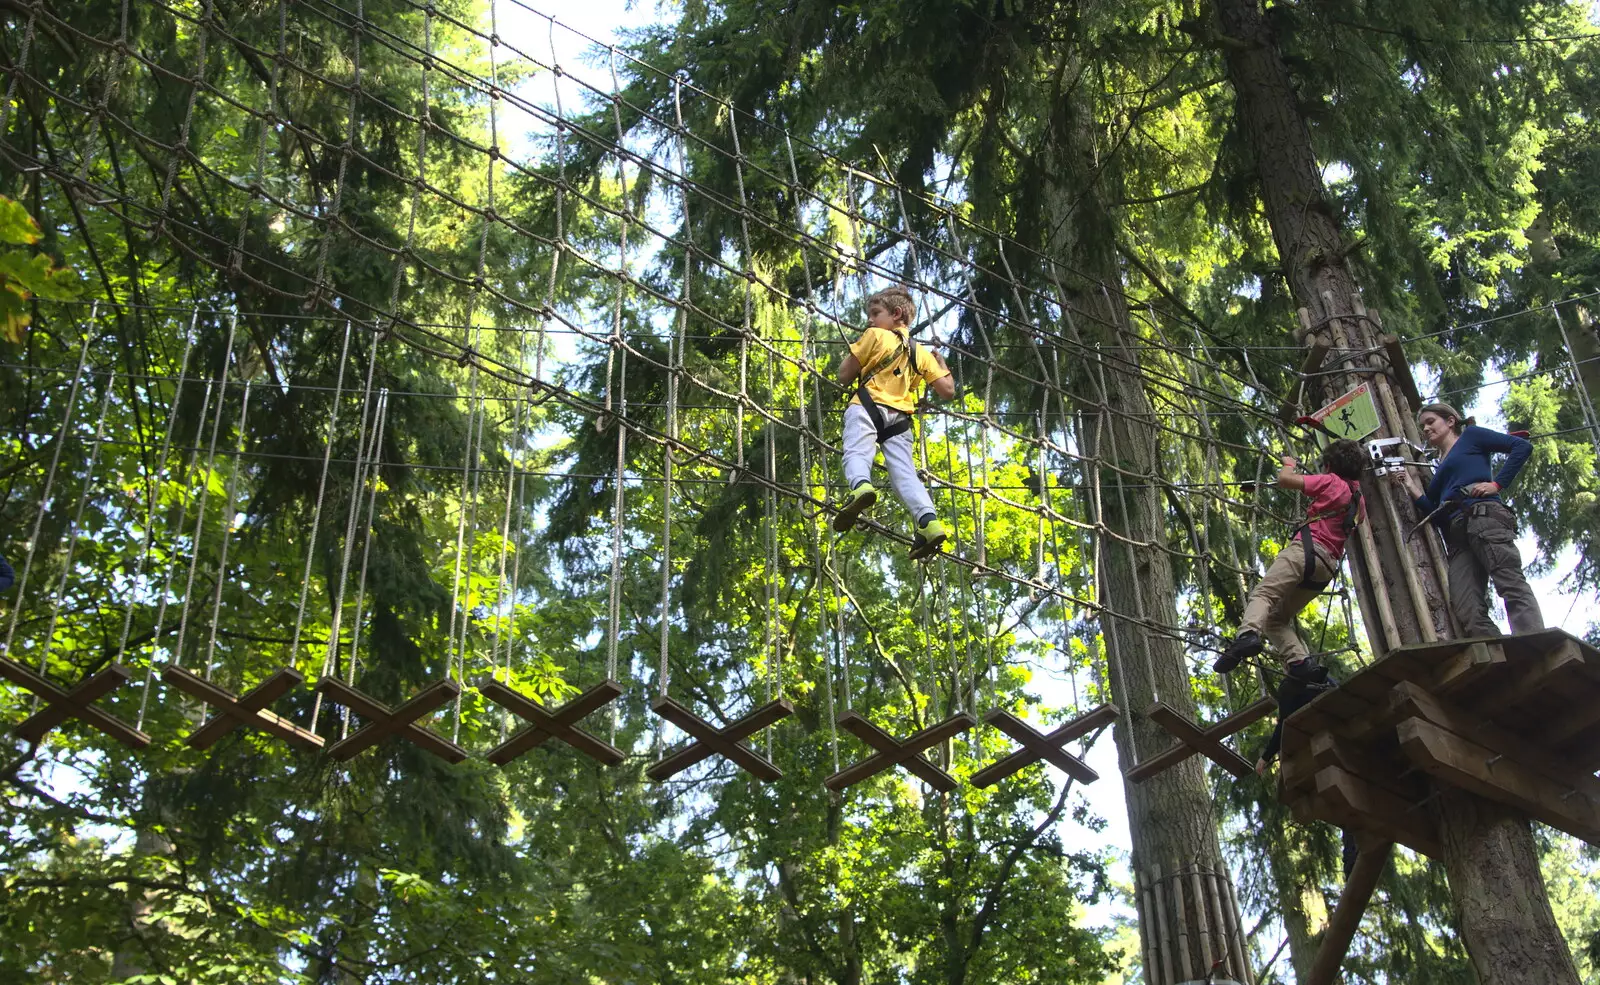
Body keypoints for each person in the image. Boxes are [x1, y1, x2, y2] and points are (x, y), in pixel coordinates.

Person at [1213, 439, 1366, 675]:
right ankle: (1300, 663)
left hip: (1306, 551)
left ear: (1328, 465)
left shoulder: (1331, 481)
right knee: (1276, 620)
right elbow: (1358, 522)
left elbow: (1286, 479)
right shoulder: (1359, 499)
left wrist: (1288, 464)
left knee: (1264, 594)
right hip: (1326, 567)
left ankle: (1247, 634)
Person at [1393, 402, 1542, 636]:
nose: (1426, 429)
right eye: (1422, 426)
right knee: (1465, 607)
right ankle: (1500, 656)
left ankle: (1533, 643)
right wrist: (1411, 486)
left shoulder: (1471, 437)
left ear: (1450, 421)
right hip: (1457, 534)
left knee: (1509, 583)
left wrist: (1496, 484)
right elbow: (1435, 512)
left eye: (1431, 422)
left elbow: (1521, 446)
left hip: (1483, 518)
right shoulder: (1440, 466)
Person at [832, 286, 956, 559]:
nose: (870, 320)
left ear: (896, 314)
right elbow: (947, 390)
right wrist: (942, 365)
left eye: (876, 313)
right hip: (899, 419)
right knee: (905, 474)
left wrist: (859, 353)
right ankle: (928, 521)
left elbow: (843, 375)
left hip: (866, 406)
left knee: (856, 451)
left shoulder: (874, 335)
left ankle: (861, 486)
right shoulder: (920, 352)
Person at [1253, 663, 1359, 878]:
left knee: (1345, 801)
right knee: (1347, 800)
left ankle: (1352, 857)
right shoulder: (1323, 679)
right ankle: (1351, 857)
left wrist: (1266, 756)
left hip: (1323, 745)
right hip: (1341, 740)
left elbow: (1283, 725)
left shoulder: (1289, 688)